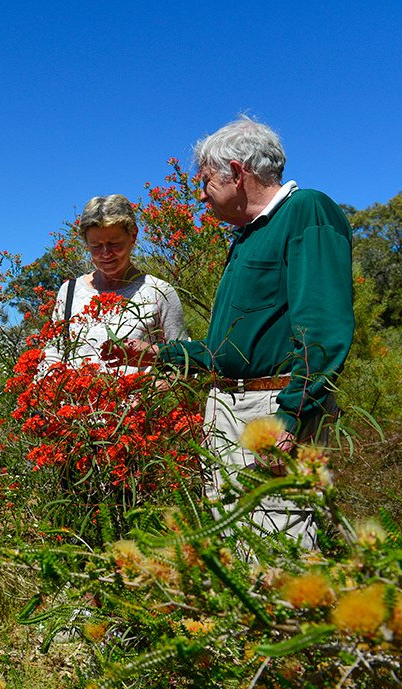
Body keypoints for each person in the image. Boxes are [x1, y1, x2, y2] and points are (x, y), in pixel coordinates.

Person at [103, 116, 354, 548]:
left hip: (270, 408)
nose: (200, 195)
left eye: (205, 182)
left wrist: (291, 417)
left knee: (278, 547)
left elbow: (324, 328)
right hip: (230, 409)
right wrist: (154, 353)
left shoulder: (306, 212)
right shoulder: (246, 237)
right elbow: (228, 350)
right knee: (237, 547)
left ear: (237, 173)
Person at [39, 194, 186, 375]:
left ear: (133, 236)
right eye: (96, 246)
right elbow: (54, 354)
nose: (106, 253)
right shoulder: (69, 291)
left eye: (114, 244)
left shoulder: (159, 292)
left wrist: (155, 391)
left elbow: (182, 363)